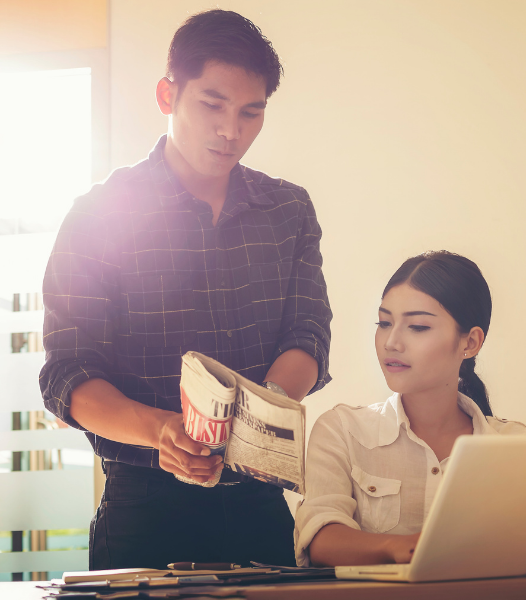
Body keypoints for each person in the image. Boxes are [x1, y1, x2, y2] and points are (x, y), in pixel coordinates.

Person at [39, 9, 331, 569]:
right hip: (144, 509)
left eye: (251, 112)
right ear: (166, 94)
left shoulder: (288, 210)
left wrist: (257, 417)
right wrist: (161, 430)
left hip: (261, 501)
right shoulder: (99, 214)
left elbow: (309, 334)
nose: (231, 130)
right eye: (212, 105)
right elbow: (66, 375)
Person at [294, 251, 526, 567]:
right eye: (384, 322)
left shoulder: (514, 445)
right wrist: (399, 546)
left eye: (417, 327)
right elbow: (321, 540)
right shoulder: (343, 429)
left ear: (470, 343)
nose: (391, 341)